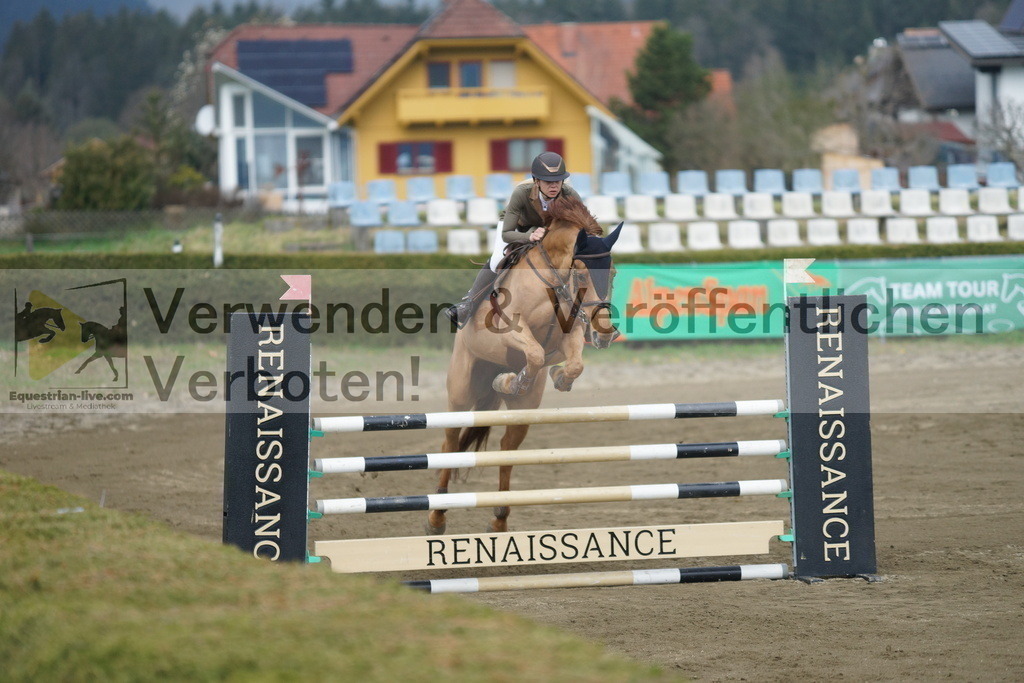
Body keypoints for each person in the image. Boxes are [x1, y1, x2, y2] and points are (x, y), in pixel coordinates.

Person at [445, 151, 582, 326]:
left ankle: (586, 311)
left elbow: (581, 227)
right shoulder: (521, 193)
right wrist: (529, 236)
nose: (554, 186)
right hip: (517, 227)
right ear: (536, 181)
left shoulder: (570, 195)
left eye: (558, 181)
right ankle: (468, 305)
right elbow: (507, 233)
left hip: (550, 232)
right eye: (548, 182)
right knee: (496, 261)